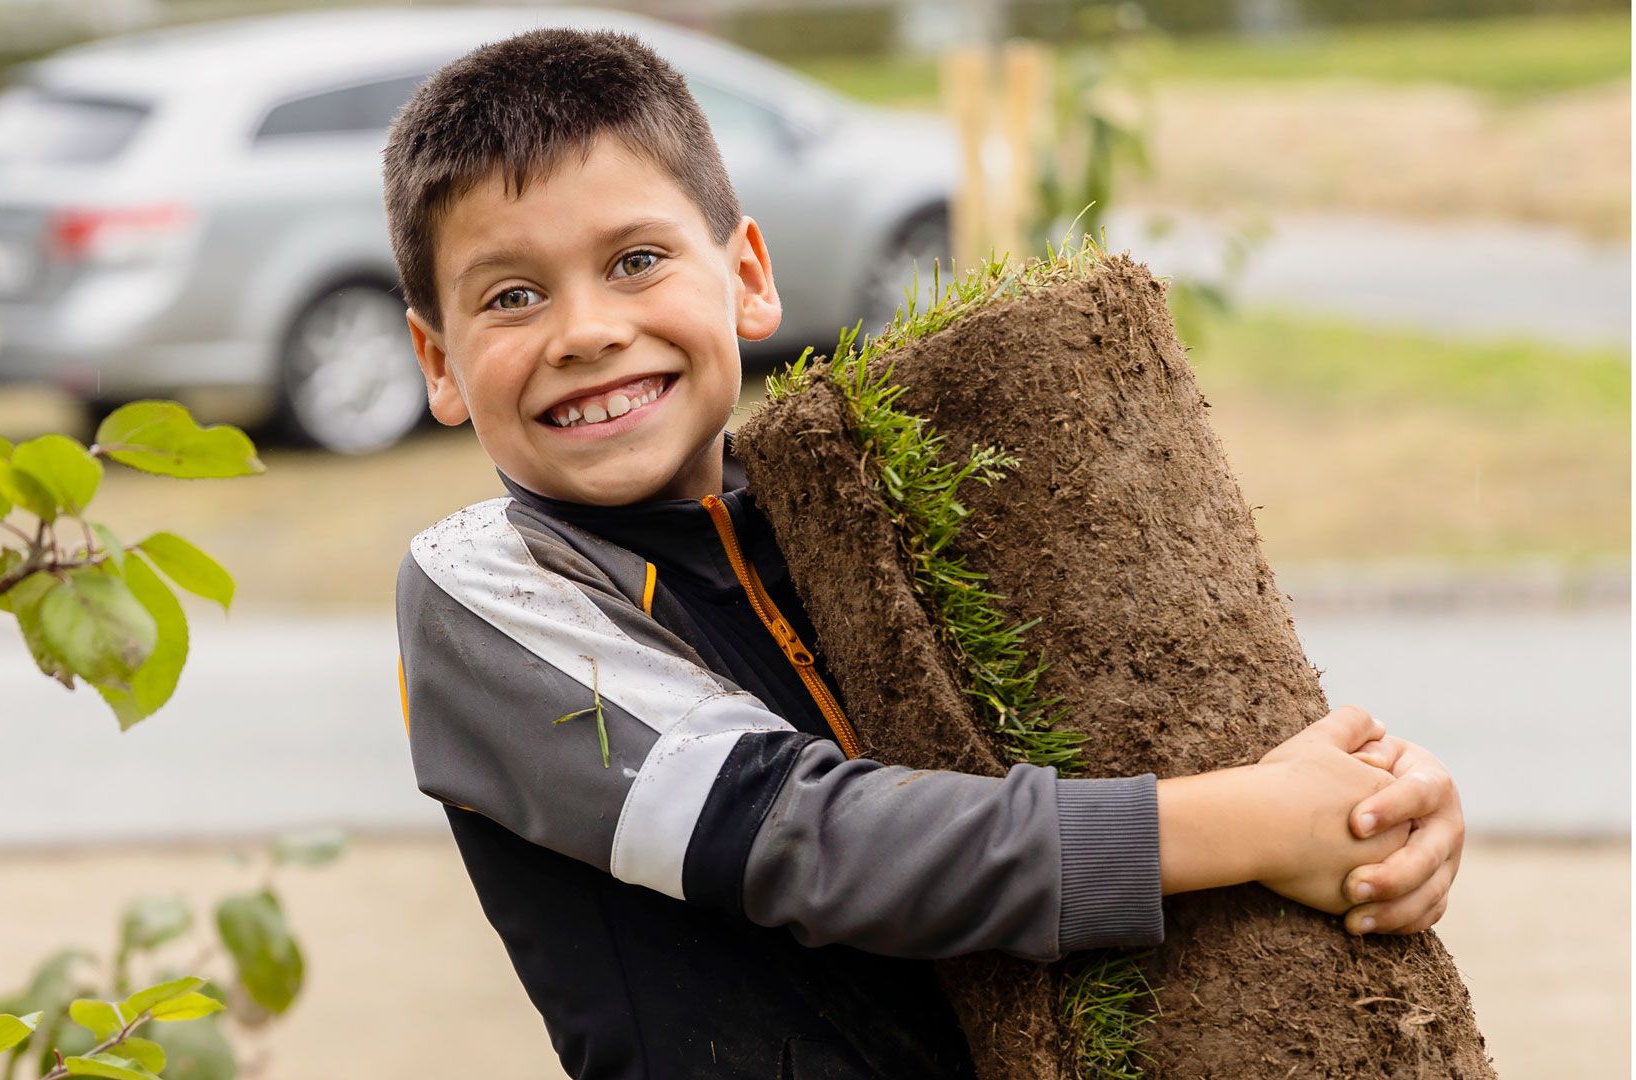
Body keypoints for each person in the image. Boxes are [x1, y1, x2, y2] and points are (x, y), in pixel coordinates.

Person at [385, 27, 1465, 1078]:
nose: (585, 330)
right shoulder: (478, 593)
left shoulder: (846, 507)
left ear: (747, 276)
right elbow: (805, 836)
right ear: (438, 361)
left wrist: (1374, 813)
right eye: (513, 296)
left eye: (635, 261)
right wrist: (1252, 824)